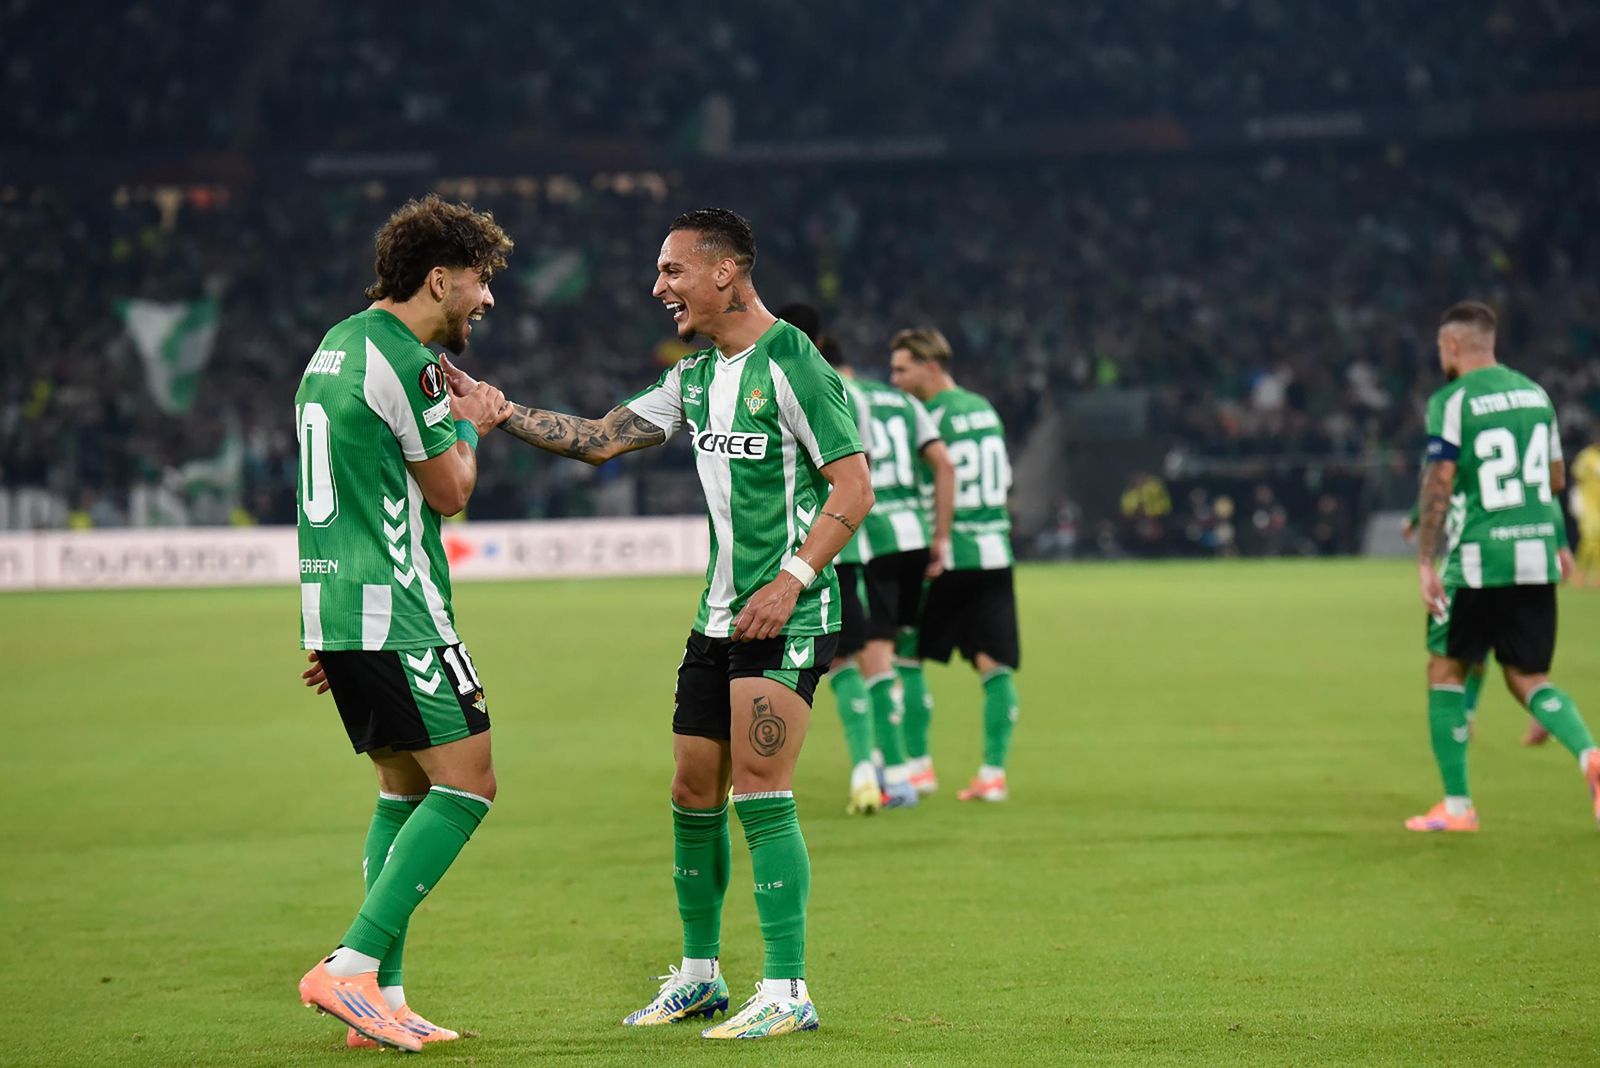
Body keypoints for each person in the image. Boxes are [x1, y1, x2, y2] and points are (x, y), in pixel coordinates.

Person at [447, 209, 873, 1039]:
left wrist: (790, 581)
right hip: (716, 617)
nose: (659, 288)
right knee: (690, 792)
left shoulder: (794, 364)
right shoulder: (695, 377)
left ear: (725, 273)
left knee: (763, 792)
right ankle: (702, 976)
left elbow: (851, 488)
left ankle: (788, 989)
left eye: (672, 271)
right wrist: (500, 412)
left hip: (784, 615)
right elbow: (603, 440)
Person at [292, 194, 514, 1052]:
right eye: (480, 280)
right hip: (401, 609)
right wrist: (478, 422)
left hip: (342, 605)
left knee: (404, 788)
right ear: (437, 279)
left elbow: (338, 488)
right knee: (469, 782)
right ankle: (348, 969)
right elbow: (451, 493)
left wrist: (329, 621)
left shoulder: (333, 346)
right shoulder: (409, 360)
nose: (487, 299)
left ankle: (380, 996)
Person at [1408, 301, 1599, 833]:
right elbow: (1554, 479)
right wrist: (1555, 536)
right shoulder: (1536, 395)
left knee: (1444, 667)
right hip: (1536, 554)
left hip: (1476, 559)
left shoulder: (1452, 400)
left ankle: (1458, 807)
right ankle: (1589, 754)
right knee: (1530, 678)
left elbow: (1441, 480)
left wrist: (1425, 560)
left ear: (1450, 347)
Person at [888, 327, 1021, 803]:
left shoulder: (925, 417)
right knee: (994, 664)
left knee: (905, 654)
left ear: (930, 366)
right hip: (994, 553)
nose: (895, 380)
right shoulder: (983, 408)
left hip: (945, 555)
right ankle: (993, 775)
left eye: (902, 369)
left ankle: (919, 768)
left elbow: (929, 476)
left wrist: (936, 539)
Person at [775, 312, 881, 817]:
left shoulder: (806, 383)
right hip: (855, 549)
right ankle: (873, 770)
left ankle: (753, 778)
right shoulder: (863, 394)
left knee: (777, 661)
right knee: (856, 659)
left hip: (812, 553)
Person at [853, 361, 955, 806]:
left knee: (871, 653)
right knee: (905, 654)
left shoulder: (839, 393)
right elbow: (942, 464)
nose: (895, 377)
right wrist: (941, 536)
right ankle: (919, 764)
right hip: (915, 535)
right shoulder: (906, 403)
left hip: (875, 536)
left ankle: (892, 770)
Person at [1571, 428, 1600, 586]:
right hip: (1587, 505)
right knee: (1588, 539)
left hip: (1599, 506)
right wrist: (1575, 499)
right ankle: (1578, 573)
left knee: (1597, 542)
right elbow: (1576, 477)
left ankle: (1596, 576)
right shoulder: (1586, 457)